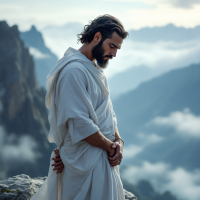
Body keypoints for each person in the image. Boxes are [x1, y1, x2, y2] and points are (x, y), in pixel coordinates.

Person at [31, 14, 128, 200]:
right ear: (97, 37)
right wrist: (111, 148)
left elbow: (108, 113)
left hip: (101, 159)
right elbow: (80, 124)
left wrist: (119, 142)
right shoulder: (73, 71)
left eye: (118, 49)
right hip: (84, 165)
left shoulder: (94, 70)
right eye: (112, 46)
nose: (114, 54)